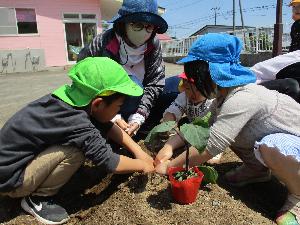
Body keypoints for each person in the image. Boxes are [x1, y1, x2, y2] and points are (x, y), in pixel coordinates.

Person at [154, 33, 300, 225]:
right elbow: (200, 129)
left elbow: (211, 145)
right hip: (273, 146)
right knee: (233, 132)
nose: (193, 86)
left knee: (271, 145)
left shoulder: (243, 98)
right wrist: (169, 146)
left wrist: (171, 167)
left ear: (211, 74)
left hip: (293, 142)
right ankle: (257, 171)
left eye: (196, 79)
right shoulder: (222, 99)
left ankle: (297, 197)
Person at [0, 57, 155, 225]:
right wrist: (143, 165)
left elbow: (107, 126)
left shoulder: (70, 101)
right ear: (98, 104)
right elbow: (109, 162)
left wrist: (138, 152)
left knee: (85, 138)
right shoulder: (77, 122)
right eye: (118, 107)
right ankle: (38, 199)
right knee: (77, 151)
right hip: (12, 181)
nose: (120, 111)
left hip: (11, 166)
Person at [78, 0, 178, 136]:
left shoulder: (153, 45)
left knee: (177, 84)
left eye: (149, 26)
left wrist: (139, 115)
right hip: (109, 102)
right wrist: (112, 114)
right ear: (123, 23)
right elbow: (83, 76)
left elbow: (155, 82)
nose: (144, 31)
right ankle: (111, 126)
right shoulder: (102, 42)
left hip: (142, 101)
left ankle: (141, 125)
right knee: (132, 83)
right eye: (137, 24)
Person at [155, 72, 222, 165]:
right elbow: (172, 111)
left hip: (212, 132)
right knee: (177, 138)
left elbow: (218, 129)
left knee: (210, 159)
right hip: (193, 127)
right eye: (187, 88)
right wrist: (170, 127)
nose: (191, 93)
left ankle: (216, 150)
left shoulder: (212, 102)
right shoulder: (184, 96)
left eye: (197, 90)